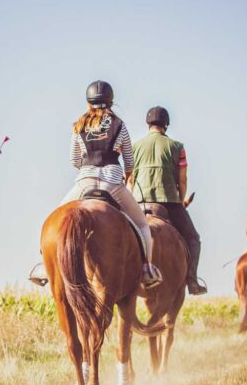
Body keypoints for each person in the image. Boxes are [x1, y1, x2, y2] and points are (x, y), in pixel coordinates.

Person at [46, 81, 162, 288]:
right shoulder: (120, 125)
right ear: (111, 101)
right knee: (143, 225)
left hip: (85, 182)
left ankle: (43, 265)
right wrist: (126, 176)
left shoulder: (78, 126)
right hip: (113, 184)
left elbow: (74, 160)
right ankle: (147, 269)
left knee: (53, 220)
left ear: (88, 101)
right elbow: (129, 161)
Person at [129, 106, 207, 295]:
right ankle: (192, 281)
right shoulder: (177, 146)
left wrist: (134, 201)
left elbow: (130, 179)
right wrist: (180, 200)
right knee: (194, 239)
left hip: (140, 203)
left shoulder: (135, 147)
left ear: (148, 124)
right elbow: (182, 179)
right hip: (168, 201)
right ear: (166, 124)